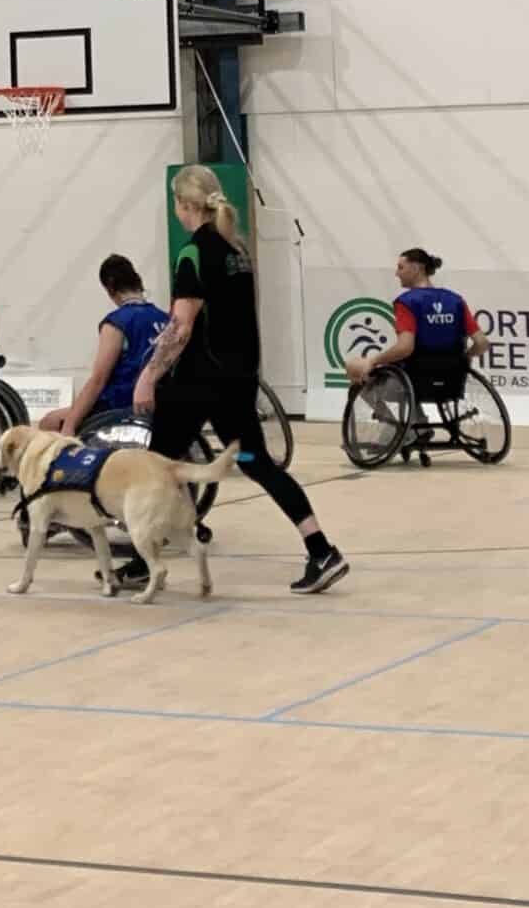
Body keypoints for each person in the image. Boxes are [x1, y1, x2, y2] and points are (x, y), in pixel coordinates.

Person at [136, 165, 349, 595]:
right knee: (256, 463)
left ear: (185, 205)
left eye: (176, 204)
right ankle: (321, 549)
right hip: (237, 379)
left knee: (154, 467)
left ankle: (143, 565)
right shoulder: (237, 249)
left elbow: (181, 327)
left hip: (197, 382)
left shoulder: (194, 252)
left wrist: (148, 377)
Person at [40, 254, 168, 435]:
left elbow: (98, 380)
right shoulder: (165, 319)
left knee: (50, 421)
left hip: (121, 405)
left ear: (110, 287)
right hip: (160, 401)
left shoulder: (117, 323)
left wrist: (70, 424)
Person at [349, 248, 485, 396]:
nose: (397, 273)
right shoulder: (455, 300)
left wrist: (373, 360)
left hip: (413, 382)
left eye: (401, 267)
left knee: (354, 367)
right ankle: (416, 415)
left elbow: (405, 348)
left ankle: (407, 417)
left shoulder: (407, 302)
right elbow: (482, 343)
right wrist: (464, 359)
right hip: (452, 381)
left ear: (415, 269)